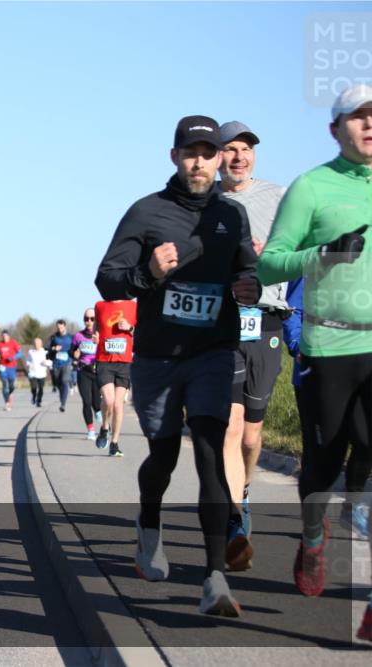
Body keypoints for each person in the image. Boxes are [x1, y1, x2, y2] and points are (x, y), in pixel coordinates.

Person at [96, 115, 260, 617]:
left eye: (208, 153)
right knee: (163, 456)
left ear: (218, 160)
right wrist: (148, 272)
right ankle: (149, 526)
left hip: (214, 352)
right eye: (190, 152)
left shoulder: (232, 216)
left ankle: (214, 579)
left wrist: (248, 285)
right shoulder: (146, 213)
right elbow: (107, 281)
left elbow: (245, 270)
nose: (200, 161)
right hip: (158, 358)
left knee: (211, 452)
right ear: (174, 157)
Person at [257, 85, 372, 636]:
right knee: (323, 468)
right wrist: (323, 254)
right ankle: (312, 539)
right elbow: (269, 266)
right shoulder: (312, 187)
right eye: (359, 117)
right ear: (335, 129)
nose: (370, 124)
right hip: (330, 347)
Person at [216, 121, 291, 571]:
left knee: (251, 434)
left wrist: (272, 256)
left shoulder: (280, 198)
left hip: (266, 321)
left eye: (245, 149)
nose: (238, 157)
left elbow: (304, 251)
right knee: (229, 424)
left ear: (254, 156)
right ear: (217, 157)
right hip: (222, 324)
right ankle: (234, 520)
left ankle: (243, 489)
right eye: (230, 150)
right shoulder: (205, 204)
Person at [282, 277, 370, 540]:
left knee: (366, 442)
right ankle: (313, 527)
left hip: (360, 371)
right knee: (319, 453)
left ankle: (352, 505)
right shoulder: (315, 258)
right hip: (315, 372)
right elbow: (292, 310)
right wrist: (299, 345)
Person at [94, 299, 137, 457]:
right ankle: (105, 427)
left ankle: (114, 443)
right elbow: (97, 327)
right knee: (109, 400)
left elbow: (143, 332)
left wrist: (130, 328)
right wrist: (95, 335)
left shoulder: (133, 306)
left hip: (124, 362)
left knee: (118, 404)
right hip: (104, 361)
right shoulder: (100, 305)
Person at [71, 309, 102, 441]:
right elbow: (71, 351)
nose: (89, 321)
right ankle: (91, 430)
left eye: (92, 318)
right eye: (86, 318)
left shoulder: (101, 334)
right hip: (83, 371)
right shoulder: (78, 336)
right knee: (86, 402)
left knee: (97, 404)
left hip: (98, 371)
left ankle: (102, 422)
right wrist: (74, 355)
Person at [48, 320, 73, 412]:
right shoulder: (54, 337)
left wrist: (75, 356)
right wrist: (54, 348)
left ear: (65, 326)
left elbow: (75, 347)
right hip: (56, 363)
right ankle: (62, 394)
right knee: (58, 382)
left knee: (64, 381)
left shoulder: (70, 337)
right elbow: (47, 347)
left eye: (61, 327)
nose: (60, 329)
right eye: (58, 327)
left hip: (67, 362)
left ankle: (63, 404)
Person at [0, 330, 22, 410]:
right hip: (2, 367)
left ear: (9, 336)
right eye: (3, 336)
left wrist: (13, 358)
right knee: (4, 385)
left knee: (11, 385)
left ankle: (10, 396)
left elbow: (20, 353)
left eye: (6, 336)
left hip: (12, 367)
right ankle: (7, 402)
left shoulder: (13, 343)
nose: (4, 337)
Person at [26, 337, 51, 407]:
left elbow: (50, 362)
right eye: (35, 343)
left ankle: (39, 401)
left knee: (41, 389)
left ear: (41, 344)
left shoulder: (45, 352)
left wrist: (45, 363)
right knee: (33, 387)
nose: (36, 345)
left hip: (42, 373)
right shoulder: (31, 352)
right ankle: (34, 396)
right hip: (33, 373)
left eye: (38, 343)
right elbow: (27, 360)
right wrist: (28, 365)